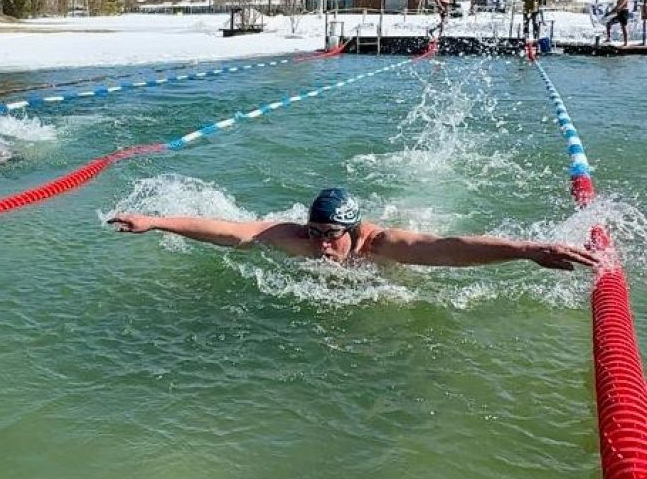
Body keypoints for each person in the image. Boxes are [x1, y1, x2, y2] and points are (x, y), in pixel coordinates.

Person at [108, 187, 598, 271]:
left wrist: (527, 250)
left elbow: (449, 249)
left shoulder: (379, 244)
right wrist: (155, 221)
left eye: (330, 236)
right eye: (314, 233)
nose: (321, 244)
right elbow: (227, 230)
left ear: (352, 230)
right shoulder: (295, 238)